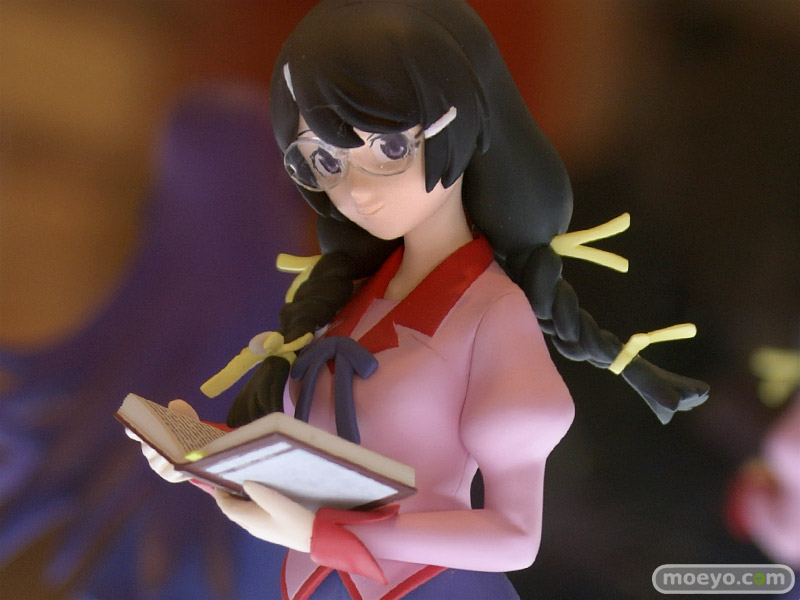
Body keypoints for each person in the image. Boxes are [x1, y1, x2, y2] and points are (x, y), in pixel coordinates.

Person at [138, 2, 709, 599]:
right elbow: (313, 472)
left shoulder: (492, 312)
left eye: (388, 148)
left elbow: (515, 536)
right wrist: (204, 455)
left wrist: (326, 533)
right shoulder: (352, 302)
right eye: (326, 161)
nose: (356, 190)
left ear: (459, 123)